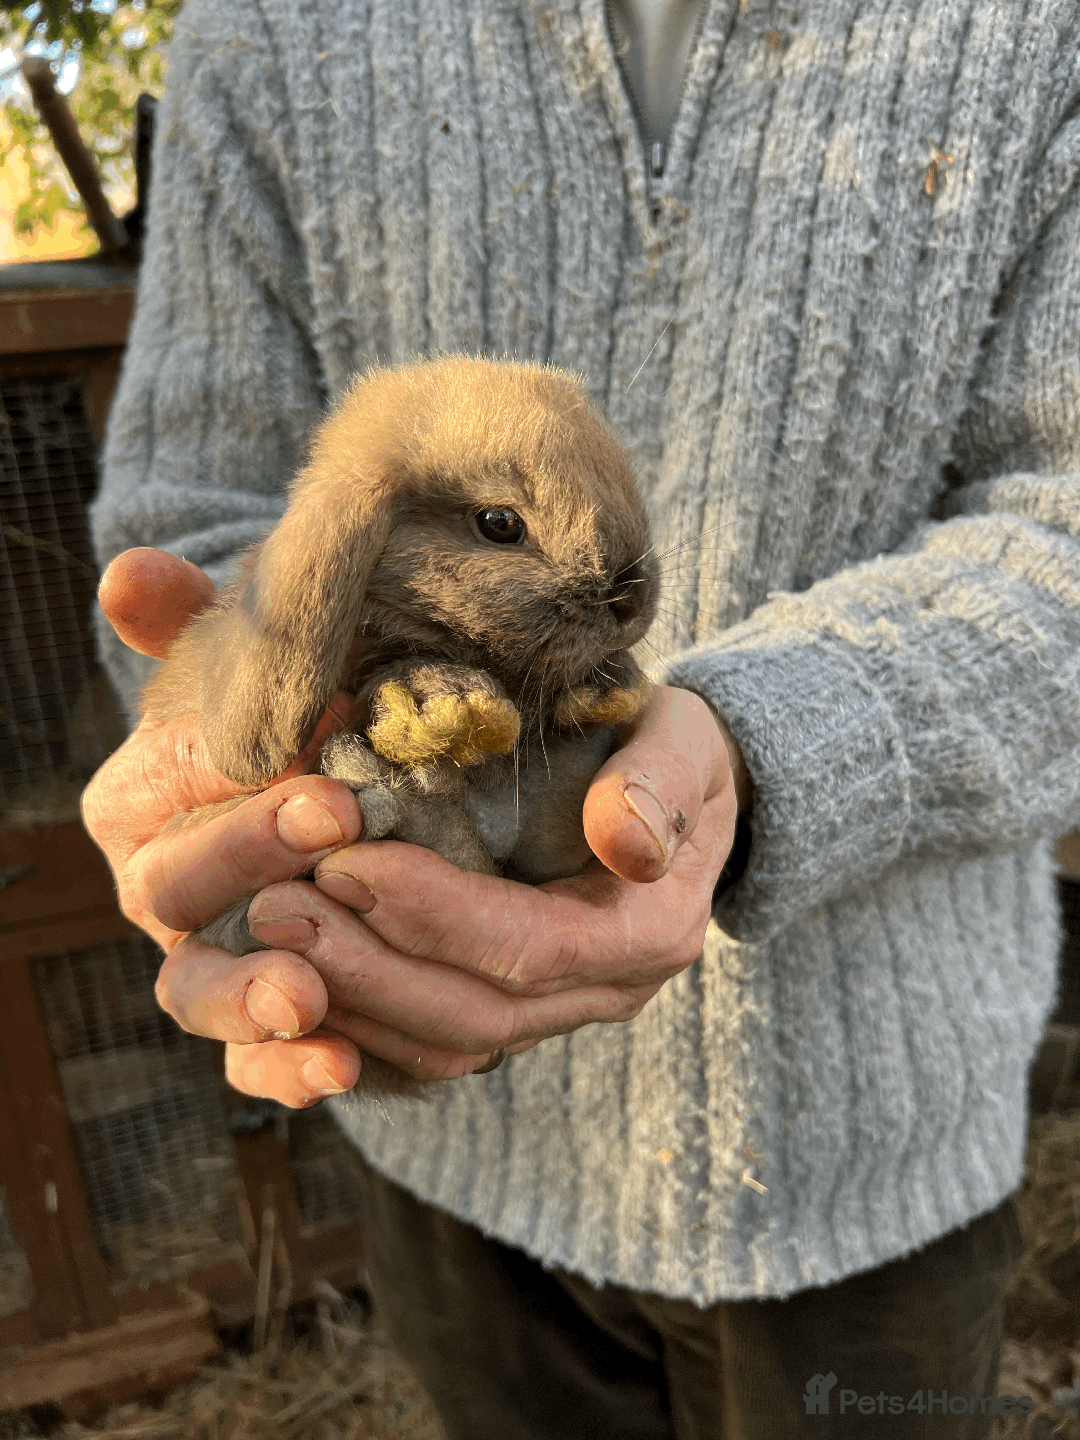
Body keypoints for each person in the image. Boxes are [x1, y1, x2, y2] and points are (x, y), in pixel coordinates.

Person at [83, 1, 1080, 1435]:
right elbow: (197, 515)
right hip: (446, 1154)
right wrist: (261, 786)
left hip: (878, 1148)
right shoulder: (263, 34)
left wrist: (778, 735)